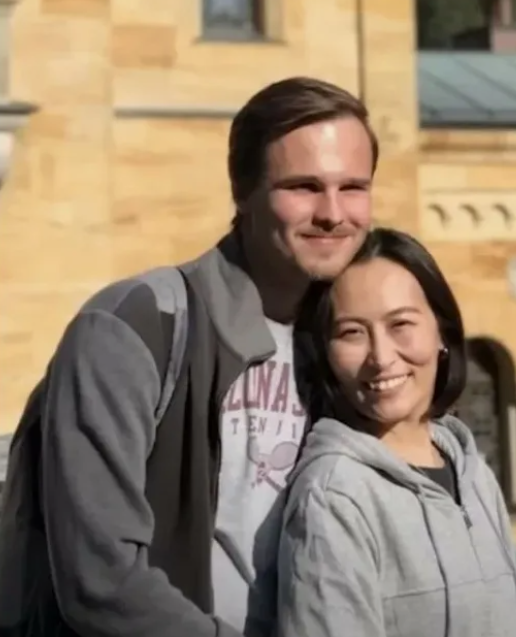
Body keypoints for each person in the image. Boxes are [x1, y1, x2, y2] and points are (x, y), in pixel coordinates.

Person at [0, 77, 378, 637]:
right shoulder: (134, 326)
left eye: (353, 187)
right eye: (303, 187)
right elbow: (101, 581)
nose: (333, 212)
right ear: (243, 192)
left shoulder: (358, 344)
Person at [277, 228, 516, 637]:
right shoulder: (335, 496)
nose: (381, 357)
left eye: (400, 324)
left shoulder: (472, 474)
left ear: (441, 331)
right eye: (352, 332)